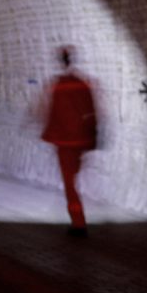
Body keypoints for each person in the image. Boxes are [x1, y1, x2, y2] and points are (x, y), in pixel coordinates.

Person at [41, 45, 98, 237]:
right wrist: (92, 139)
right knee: (74, 180)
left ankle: (78, 222)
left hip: (65, 144)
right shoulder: (84, 83)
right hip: (81, 142)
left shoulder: (58, 85)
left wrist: (50, 135)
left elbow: (53, 114)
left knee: (70, 184)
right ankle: (78, 219)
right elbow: (92, 112)